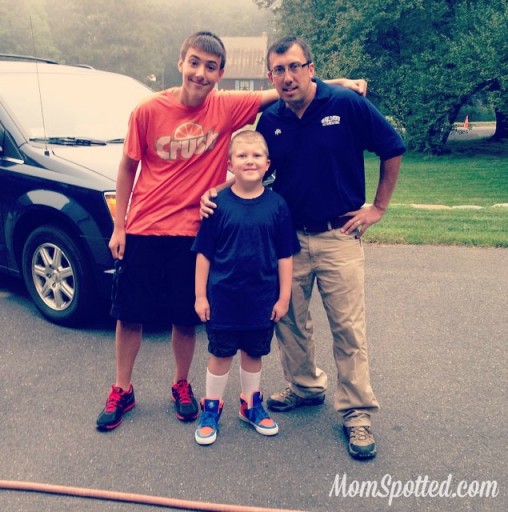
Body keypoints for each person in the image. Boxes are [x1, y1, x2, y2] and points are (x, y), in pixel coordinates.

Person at [96, 31, 366, 432]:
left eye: (210, 67)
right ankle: (122, 388)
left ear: (220, 73)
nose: (200, 73)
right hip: (145, 227)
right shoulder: (148, 110)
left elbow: (281, 91)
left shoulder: (225, 107)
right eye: (194, 63)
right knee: (129, 315)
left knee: (185, 318)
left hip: (191, 229)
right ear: (180, 62)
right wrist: (120, 225)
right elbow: (127, 167)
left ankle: (182, 386)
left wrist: (337, 84)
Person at [201, 36, 406, 459]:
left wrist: (379, 208)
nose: (288, 77)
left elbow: (392, 147)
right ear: (270, 75)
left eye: (296, 67)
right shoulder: (271, 118)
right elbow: (254, 166)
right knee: (288, 320)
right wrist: (216, 191)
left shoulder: (345, 105)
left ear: (311, 68)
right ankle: (306, 386)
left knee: (348, 328)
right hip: (287, 240)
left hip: (339, 235)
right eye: (279, 70)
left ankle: (357, 413)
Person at [192, 130, 298, 445]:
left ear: (267, 164)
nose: (249, 161)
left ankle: (250, 404)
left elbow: (285, 255)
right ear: (230, 164)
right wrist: (200, 296)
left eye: (256, 156)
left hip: (262, 299)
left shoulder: (278, 205)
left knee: (253, 353)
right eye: (242, 156)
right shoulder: (216, 205)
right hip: (223, 299)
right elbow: (204, 254)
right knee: (221, 354)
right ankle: (211, 409)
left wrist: (284, 296)